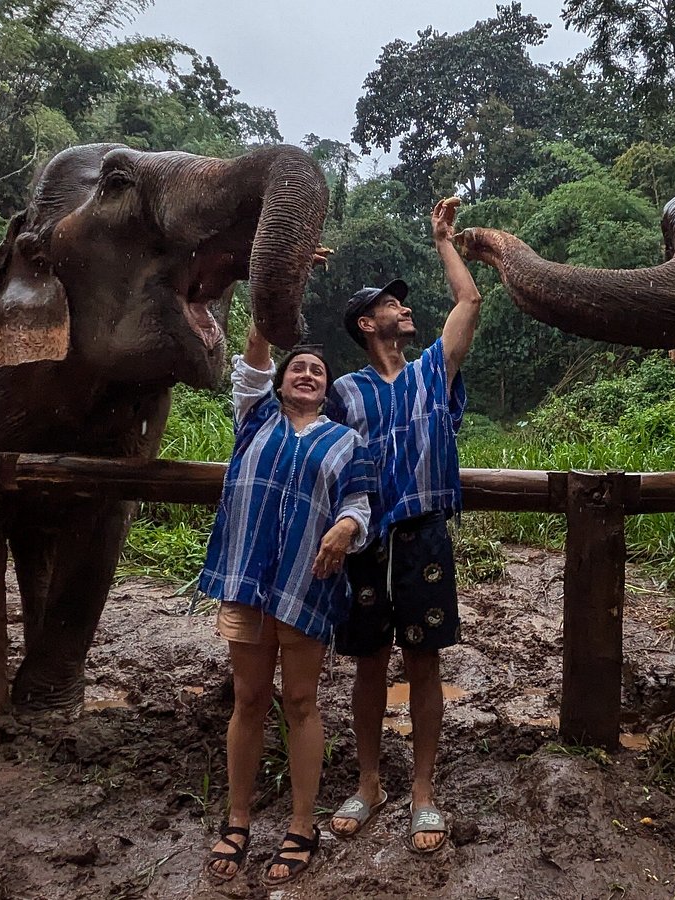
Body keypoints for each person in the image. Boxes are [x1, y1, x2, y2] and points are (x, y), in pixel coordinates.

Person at [327, 197, 481, 854]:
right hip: (366, 542)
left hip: (423, 535)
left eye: (404, 303)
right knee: (368, 667)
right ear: (367, 323)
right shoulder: (344, 392)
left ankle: (423, 791)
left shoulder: (430, 373)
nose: (404, 309)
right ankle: (369, 783)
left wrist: (443, 238)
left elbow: (469, 302)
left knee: (423, 662)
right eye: (391, 304)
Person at [200, 325, 373, 885]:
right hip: (247, 579)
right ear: (278, 382)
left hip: (309, 581)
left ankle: (302, 824)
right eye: (297, 367)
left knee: (301, 700)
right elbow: (252, 356)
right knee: (248, 699)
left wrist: (345, 527)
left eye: (317, 371)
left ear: (327, 389)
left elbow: (361, 502)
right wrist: (275, 301)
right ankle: (238, 819)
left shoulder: (346, 443)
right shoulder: (252, 418)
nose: (306, 374)